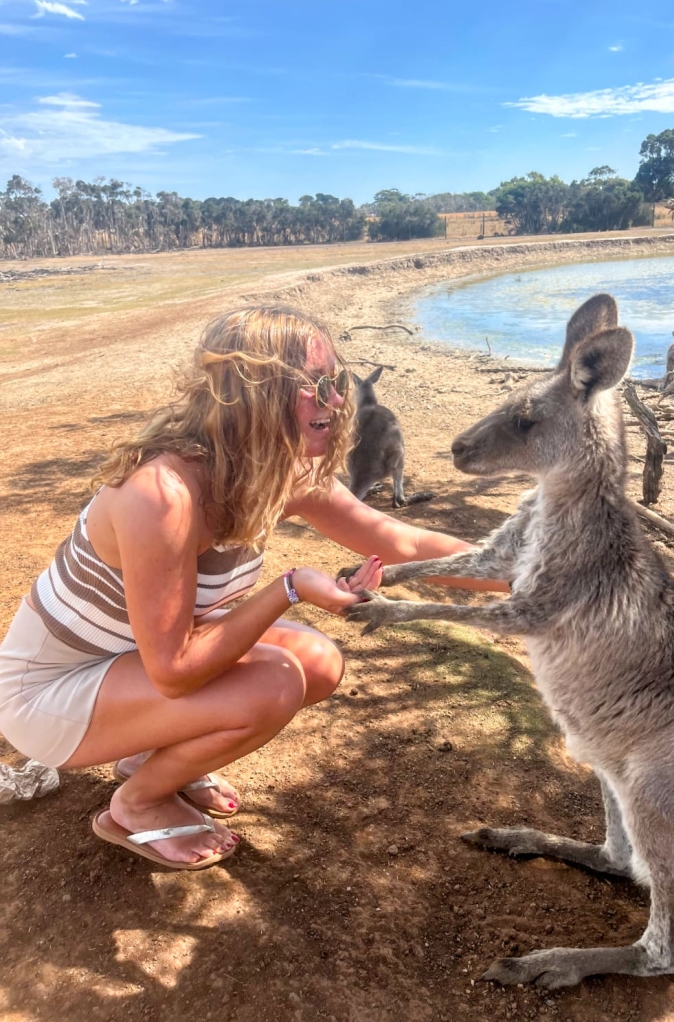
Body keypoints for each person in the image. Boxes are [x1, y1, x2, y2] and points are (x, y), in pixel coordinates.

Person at [0, 305, 504, 870]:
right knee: (274, 681)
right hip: (49, 691)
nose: (337, 400)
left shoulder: (278, 470)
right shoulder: (163, 494)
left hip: (130, 660)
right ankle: (137, 804)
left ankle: (150, 759)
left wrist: (536, 574)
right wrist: (290, 587)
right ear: (251, 392)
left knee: (317, 661)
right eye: (315, 385)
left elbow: (402, 542)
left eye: (337, 381)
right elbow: (174, 670)